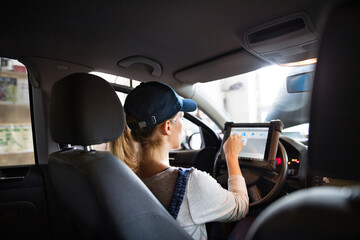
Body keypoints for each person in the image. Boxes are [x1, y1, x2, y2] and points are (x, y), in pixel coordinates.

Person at [110, 81, 249, 240]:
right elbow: (240, 207)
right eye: (181, 117)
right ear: (167, 127)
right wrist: (231, 156)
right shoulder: (191, 183)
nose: (183, 125)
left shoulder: (119, 179)